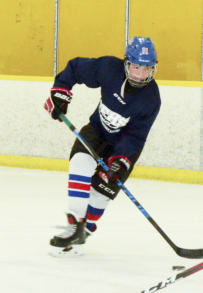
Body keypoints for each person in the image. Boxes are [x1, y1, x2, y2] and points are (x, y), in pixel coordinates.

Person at [43, 36, 161, 258]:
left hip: (123, 146)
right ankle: (75, 224)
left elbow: (136, 136)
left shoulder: (151, 99)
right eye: (135, 67)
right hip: (97, 131)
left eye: (146, 69)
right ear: (127, 63)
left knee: (101, 192)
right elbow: (76, 67)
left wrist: (119, 160)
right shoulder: (109, 68)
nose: (139, 74)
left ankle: (84, 232)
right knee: (79, 161)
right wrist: (60, 91)